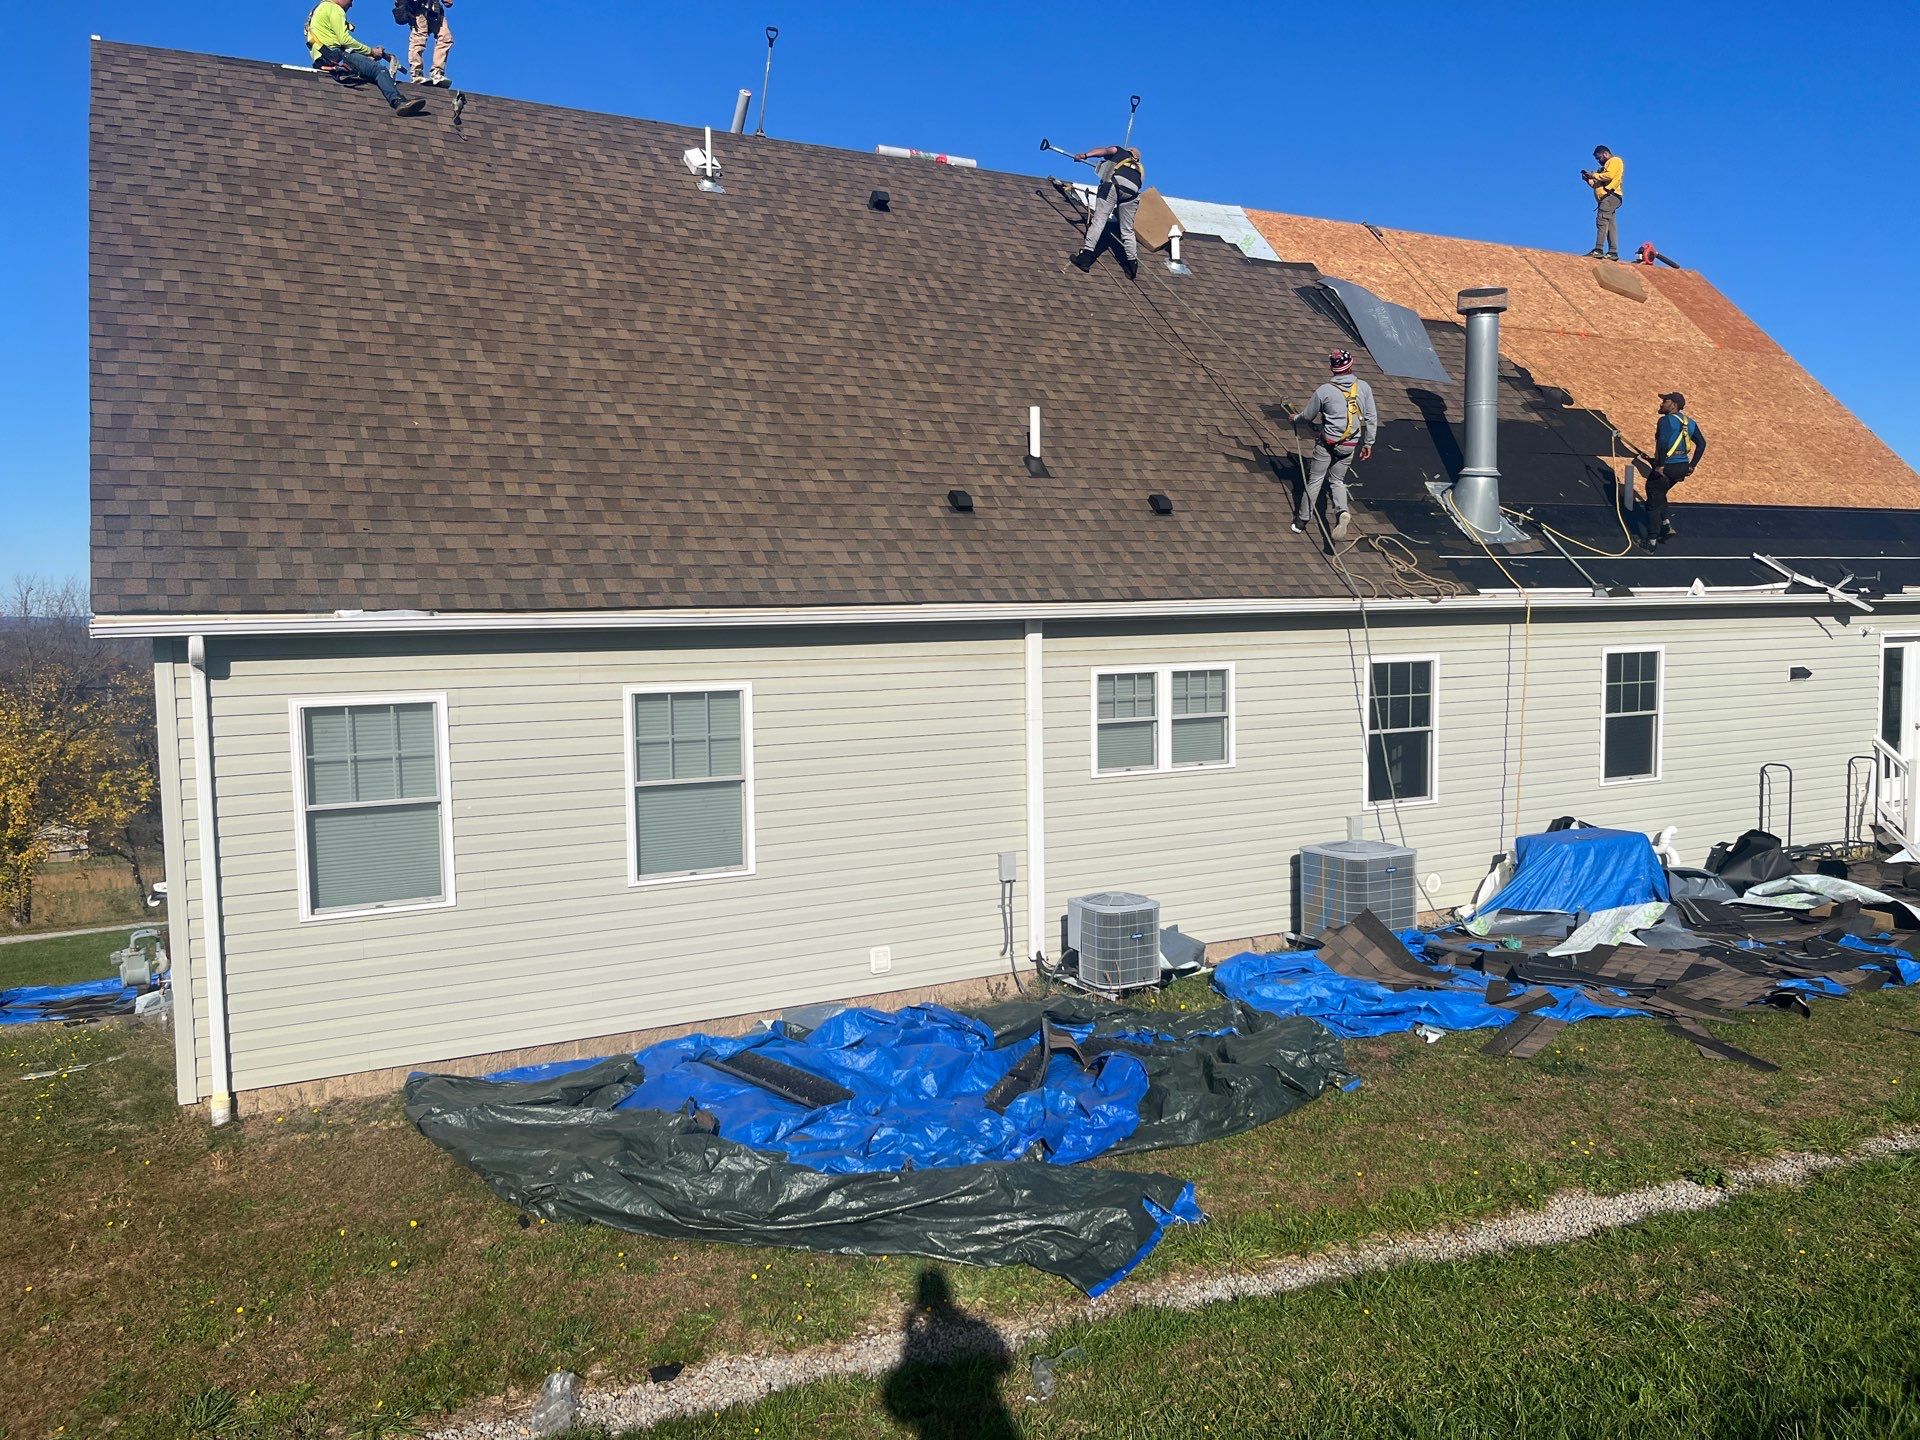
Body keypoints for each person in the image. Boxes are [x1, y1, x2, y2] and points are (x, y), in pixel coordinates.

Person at [1289, 350, 1376, 540]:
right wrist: (1368, 443)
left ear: (1332, 369)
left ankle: (1301, 521)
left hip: (1328, 442)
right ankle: (1341, 512)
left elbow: (1307, 416)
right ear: (1351, 366)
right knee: (1337, 481)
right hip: (1350, 444)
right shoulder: (1364, 387)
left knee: (1316, 479)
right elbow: (1371, 418)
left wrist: (1294, 418)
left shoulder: (1324, 391)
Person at [306, 0, 425, 115]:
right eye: (351, 0)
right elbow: (345, 40)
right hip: (336, 57)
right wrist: (371, 51)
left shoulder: (319, 9)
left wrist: (366, 55)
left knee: (368, 66)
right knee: (379, 71)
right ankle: (398, 102)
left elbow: (333, 41)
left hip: (323, 59)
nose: (351, 5)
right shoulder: (335, 8)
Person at [1068, 144, 1145, 279]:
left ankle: (1085, 257)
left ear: (1128, 152)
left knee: (1099, 220)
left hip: (1114, 184)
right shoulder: (1139, 169)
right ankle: (1132, 266)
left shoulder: (1119, 151)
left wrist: (1085, 155)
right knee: (1127, 230)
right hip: (1132, 194)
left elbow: (1103, 151)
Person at [1644, 392, 1706, 548]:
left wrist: (1661, 465)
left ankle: (1651, 542)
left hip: (1668, 466)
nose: (1662, 403)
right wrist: (1692, 465)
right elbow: (1702, 444)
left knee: (1652, 498)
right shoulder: (1690, 423)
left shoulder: (1665, 421)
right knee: (1661, 492)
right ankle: (1666, 524)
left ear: (1674, 405)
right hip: (1682, 466)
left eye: (1665, 401)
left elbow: (1663, 442)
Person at [1581, 145, 1625, 259]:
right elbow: (1597, 185)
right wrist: (1588, 179)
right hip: (1607, 198)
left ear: (1605, 154)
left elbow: (1609, 175)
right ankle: (1612, 252)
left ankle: (1598, 249)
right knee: (1610, 224)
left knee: (1602, 220)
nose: (1598, 161)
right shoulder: (1602, 169)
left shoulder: (1615, 161)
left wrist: (1594, 175)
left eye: (1598, 158)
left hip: (1610, 196)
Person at [401, 0, 454, 87]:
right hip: (417, 5)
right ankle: (416, 73)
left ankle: (437, 72)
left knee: (445, 37)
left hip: (433, 6)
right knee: (419, 38)